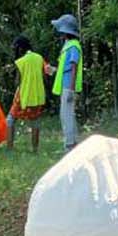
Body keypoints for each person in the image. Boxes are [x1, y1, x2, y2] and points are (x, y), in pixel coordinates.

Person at [9, 35, 50, 154]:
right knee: (35, 121)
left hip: (23, 95)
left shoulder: (20, 61)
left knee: (10, 119)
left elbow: (17, 81)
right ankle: (35, 149)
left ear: (20, 48)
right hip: (38, 96)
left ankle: (10, 148)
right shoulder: (39, 58)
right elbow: (46, 75)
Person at [51, 13, 83, 151]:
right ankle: (73, 143)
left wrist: (71, 89)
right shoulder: (68, 45)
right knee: (67, 114)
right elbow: (65, 68)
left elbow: (74, 67)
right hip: (66, 85)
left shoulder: (73, 46)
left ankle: (70, 144)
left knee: (67, 115)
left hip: (68, 87)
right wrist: (53, 70)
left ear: (65, 31)